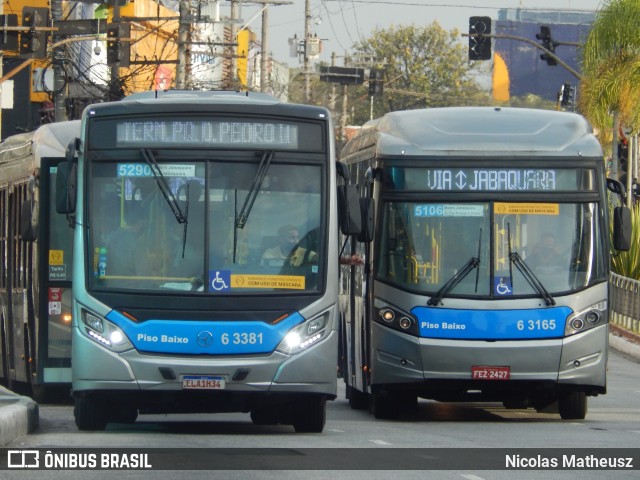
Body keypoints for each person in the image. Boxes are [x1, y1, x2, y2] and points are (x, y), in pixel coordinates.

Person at [261, 224, 364, 267]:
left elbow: (324, 259)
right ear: (281, 239)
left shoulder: (303, 253)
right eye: (291, 238)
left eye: (297, 237)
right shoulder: (269, 254)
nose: (296, 241)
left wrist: (347, 260)